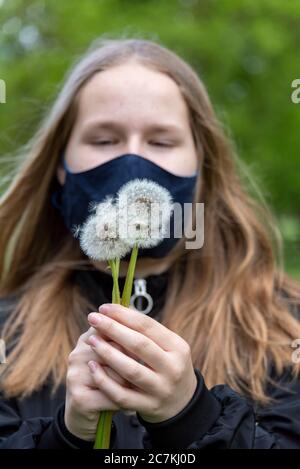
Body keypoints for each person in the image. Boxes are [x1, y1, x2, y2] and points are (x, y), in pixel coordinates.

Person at [0, 37, 300, 450]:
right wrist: (66, 438)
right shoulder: (6, 337)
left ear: (202, 168)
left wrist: (192, 418)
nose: (132, 160)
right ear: (60, 167)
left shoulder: (285, 330)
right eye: (104, 140)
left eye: (161, 141)